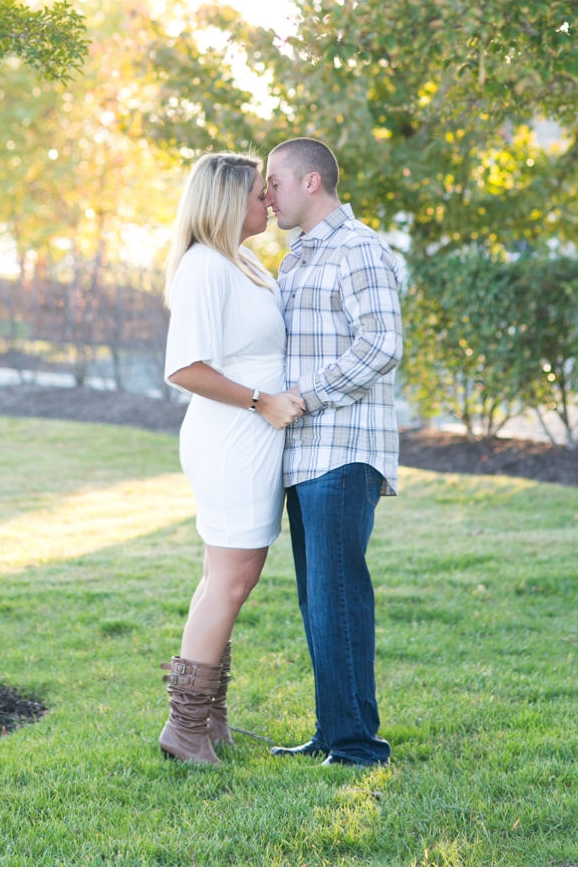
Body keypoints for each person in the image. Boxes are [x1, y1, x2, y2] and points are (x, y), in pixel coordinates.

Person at [159, 151, 305, 765]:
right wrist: (262, 401)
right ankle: (185, 728)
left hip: (248, 439)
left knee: (226, 579)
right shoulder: (203, 268)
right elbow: (185, 368)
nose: (268, 201)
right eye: (256, 192)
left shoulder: (242, 263)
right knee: (232, 579)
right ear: (223, 202)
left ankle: (210, 719)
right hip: (232, 440)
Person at [265, 137, 403, 767]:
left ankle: (356, 746)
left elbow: (381, 344)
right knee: (318, 601)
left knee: (338, 596)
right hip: (303, 454)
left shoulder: (359, 247)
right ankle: (334, 730)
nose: (267, 195)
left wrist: (305, 397)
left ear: (311, 182)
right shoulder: (295, 260)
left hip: (343, 451)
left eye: (275, 182)